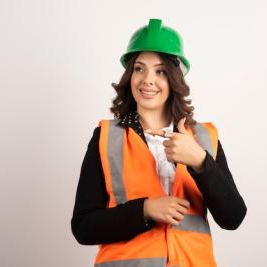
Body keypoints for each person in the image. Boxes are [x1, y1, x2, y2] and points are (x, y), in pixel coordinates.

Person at [71, 18, 247, 267]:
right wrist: (145, 210)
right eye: (139, 69)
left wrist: (200, 162)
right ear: (129, 74)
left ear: (174, 78)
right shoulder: (105, 138)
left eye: (160, 71)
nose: (148, 80)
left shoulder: (203, 138)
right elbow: (83, 227)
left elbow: (233, 217)